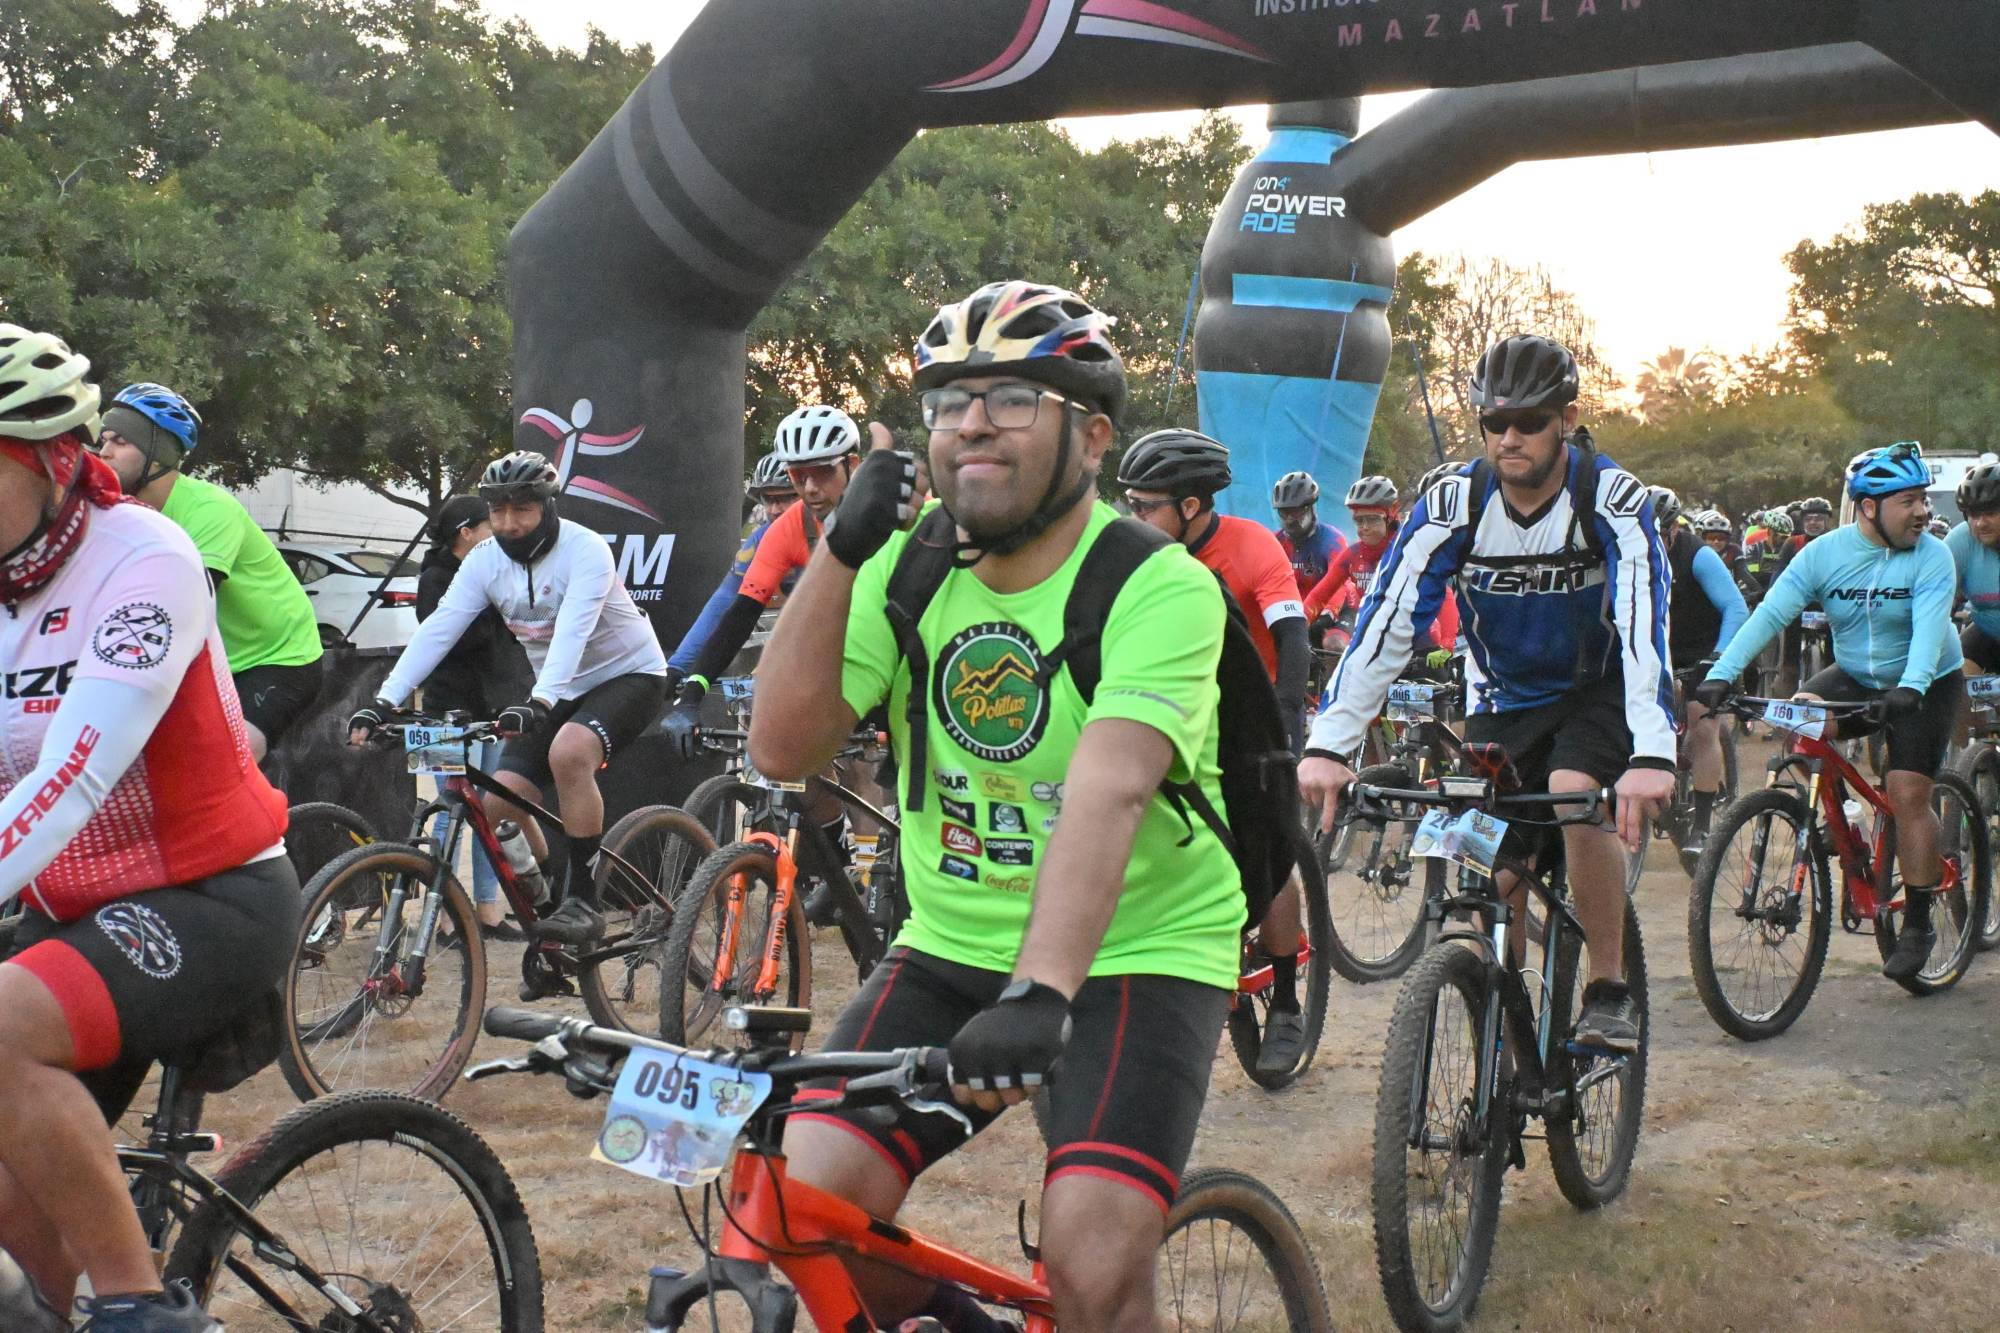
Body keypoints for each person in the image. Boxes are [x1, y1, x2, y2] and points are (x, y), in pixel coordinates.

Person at [746, 280, 1243, 1331]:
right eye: (949, 400)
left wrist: (1041, 988)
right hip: (952, 941)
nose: (971, 422)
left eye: (1013, 398)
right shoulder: (905, 566)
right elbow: (783, 745)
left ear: (1092, 436)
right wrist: (839, 552)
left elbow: (1108, 789)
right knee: (800, 1207)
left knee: (1089, 1260)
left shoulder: (1158, 585)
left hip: (1138, 947)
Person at [0, 325, 296, 1332]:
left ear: (49, 461)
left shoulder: (145, 558)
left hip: (211, 893)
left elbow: (73, 775)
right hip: (71, 904)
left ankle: (139, 1307)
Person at [1298, 333, 1675, 1053]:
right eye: (1494, 423)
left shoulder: (1611, 496)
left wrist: (1653, 752)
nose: (1510, 438)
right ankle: (1505, 1039)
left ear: (1567, 419)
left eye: (1529, 422)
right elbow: (1388, 620)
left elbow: (1642, 625)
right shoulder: (1454, 501)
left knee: (1571, 790)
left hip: (1597, 692)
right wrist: (1330, 743)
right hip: (1502, 700)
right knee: (1480, 882)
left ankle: (1608, 987)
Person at [347, 451, 668, 949]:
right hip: (556, 688)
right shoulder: (484, 560)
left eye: (522, 509)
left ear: (547, 506)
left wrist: (539, 702)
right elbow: (440, 629)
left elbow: (572, 634)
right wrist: (384, 700)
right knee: (498, 807)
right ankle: (548, 907)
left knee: (569, 752)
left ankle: (583, 900)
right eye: (497, 511)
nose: (508, 523)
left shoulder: (585, 550)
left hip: (628, 674)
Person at [1697, 442, 1960, 980]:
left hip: (1927, 680)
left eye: (1923, 499)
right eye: (1908, 501)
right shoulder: (1823, 554)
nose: (1922, 511)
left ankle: (1918, 922)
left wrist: (1911, 687)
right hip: (1858, 675)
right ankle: (1844, 825)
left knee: (1907, 793)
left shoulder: (1933, 556)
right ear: (1869, 507)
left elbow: (1931, 632)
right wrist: (1723, 673)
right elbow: (1770, 614)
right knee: (1799, 722)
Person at [1117, 428, 1313, 1073]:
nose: (1131, 517)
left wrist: (1287, 725)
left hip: (1249, 719)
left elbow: (1292, 636)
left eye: (1144, 506)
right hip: (1174, 713)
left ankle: (1287, 999)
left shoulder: (1253, 546)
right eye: (1127, 503)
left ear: (1191, 506)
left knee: (1268, 852)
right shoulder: (1133, 551)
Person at [92, 382, 324, 760]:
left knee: (224, 764)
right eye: (103, 439)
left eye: (120, 440)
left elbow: (185, 606)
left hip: (277, 658)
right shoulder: (117, 514)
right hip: (213, 663)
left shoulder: (209, 509)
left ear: (158, 454)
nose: (104, 451)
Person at [661, 405, 866, 730]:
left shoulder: (887, 512)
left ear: (851, 466)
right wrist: (686, 680)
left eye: (822, 473)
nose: (810, 488)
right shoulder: (780, 532)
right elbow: (734, 609)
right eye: (799, 477)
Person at [415, 495, 532, 938]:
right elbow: (450, 638)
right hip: (441, 713)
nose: (499, 530)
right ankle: (443, 916)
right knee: (448, 813)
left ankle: (489, 909)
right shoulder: (435, 578)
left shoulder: (495, 571)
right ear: (466, 533)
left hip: (492, 710)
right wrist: (492, 608)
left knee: (492, 812)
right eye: (489, 523)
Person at [666, 452, 801, 688]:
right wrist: (677, 666)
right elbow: (725, 599)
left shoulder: (833, 529)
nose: (775, 509)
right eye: (768, 499)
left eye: (785, 498)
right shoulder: (762, 539)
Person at [1660, 499, 1749, 855]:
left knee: (1702, 723)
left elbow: (1735, 607)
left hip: (1706, 649)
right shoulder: (1629, 553)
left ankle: (1702, 826)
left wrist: (1719, 658)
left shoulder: (1698, 555)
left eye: (1657, 534)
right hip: (1660, 651)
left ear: (1674, 529)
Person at [1302, 476, 1461, 656]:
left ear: (1390, 516)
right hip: (1375, 636)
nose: (1364, 527)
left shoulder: (1410, 551)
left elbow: (1444, 597)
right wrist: (1298, 627)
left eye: (1372, 519)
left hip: (1419, 638)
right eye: (1359, 520)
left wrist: (1447, 645)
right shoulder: (1352, 555)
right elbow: (1319, 595)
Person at [1945, 460, 2000, 673]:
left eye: (1990, 513)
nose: (1981, 523)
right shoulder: (1959, 541)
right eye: (1974, 515)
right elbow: (1934, 606)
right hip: (1988, 633)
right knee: (1956, 675)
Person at [1271, 469, 1346, 600]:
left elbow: (1340, 586)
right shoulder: (1274, 542)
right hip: (1286, 609)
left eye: (1295, 511)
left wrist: (1328, 610)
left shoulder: (1332, 541)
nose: (1289, 518)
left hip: (1322, 607)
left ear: (1311, 508)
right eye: (1284, 512)